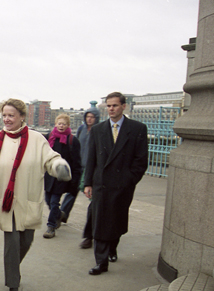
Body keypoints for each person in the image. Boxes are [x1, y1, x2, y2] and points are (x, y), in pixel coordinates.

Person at [0, 98, 71, 291]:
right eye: (4, 115)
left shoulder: (37, 139)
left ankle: (13, 271)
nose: (7, 119)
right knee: (11, 244)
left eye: (11, 115)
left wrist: (59, 166)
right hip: (5, 202)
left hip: (28, 201)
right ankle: (13, 288)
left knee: (25, 241)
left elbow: (50, 159)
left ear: (22, 117)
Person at [84, 92, 148, 275]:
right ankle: (101, 262)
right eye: (109, 106)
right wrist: (88, 183)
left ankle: (112, 247)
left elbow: (141, 160)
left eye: (115, 105)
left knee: (117, 221)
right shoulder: (98, 130)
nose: (111, 109)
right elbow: (91, 159)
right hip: (101, 184)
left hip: (123, 185)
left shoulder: (137, 129)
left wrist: (129, 180)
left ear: (123, 107)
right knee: (100, 221)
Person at [42, 113, 82, 239]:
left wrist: (75, 180)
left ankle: (51, 226)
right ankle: (60, 215)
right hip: (49, 176)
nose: (61, 126)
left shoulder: (72, 140)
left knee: (54, 202)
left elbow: (76, 162)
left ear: (68, 126)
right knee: (48, 201)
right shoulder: (49, 137)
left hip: (61, 177)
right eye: (59, 123)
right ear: (55, 124)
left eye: (64, 124)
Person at [76, 104, 101, 249]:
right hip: (86, 169)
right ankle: (89, 236)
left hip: (102, 173)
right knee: (93, 207)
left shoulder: (101, 131)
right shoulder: (82, 129)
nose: (90, 119)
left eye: (92, 117)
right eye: (88, 116)